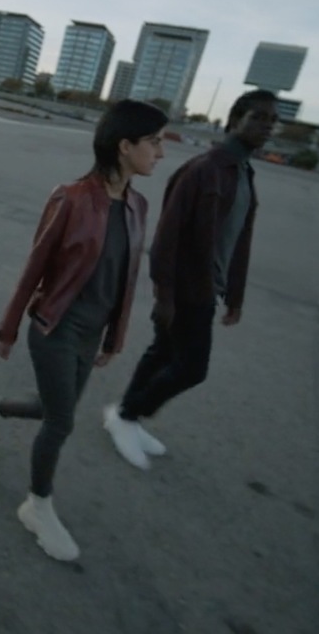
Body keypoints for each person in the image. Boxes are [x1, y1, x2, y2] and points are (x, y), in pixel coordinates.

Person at [0, 101, 167, 561]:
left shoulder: (137, 205)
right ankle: (37, 506)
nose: (160, 152)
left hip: (91, 334)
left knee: (52, 407)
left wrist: (115, 338)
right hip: (54, 328)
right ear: (125, 146)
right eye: (154, 142)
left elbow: (126, 278)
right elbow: (35, 266)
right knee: (61, 421)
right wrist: (9, 327)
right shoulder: (71, 198)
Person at [101, 89, 279, 469]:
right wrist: (165, 297)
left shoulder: (243, 172)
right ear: (235, 120)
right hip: (187, 290)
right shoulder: (205, 170)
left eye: (272, 120)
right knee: (193, 368)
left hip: (208, 287)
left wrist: (235, 295)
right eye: (258, 117)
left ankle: (125, 415)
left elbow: (237, 240)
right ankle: (128, 415)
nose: (267, 126)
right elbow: (167, 238)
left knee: (162, 353)